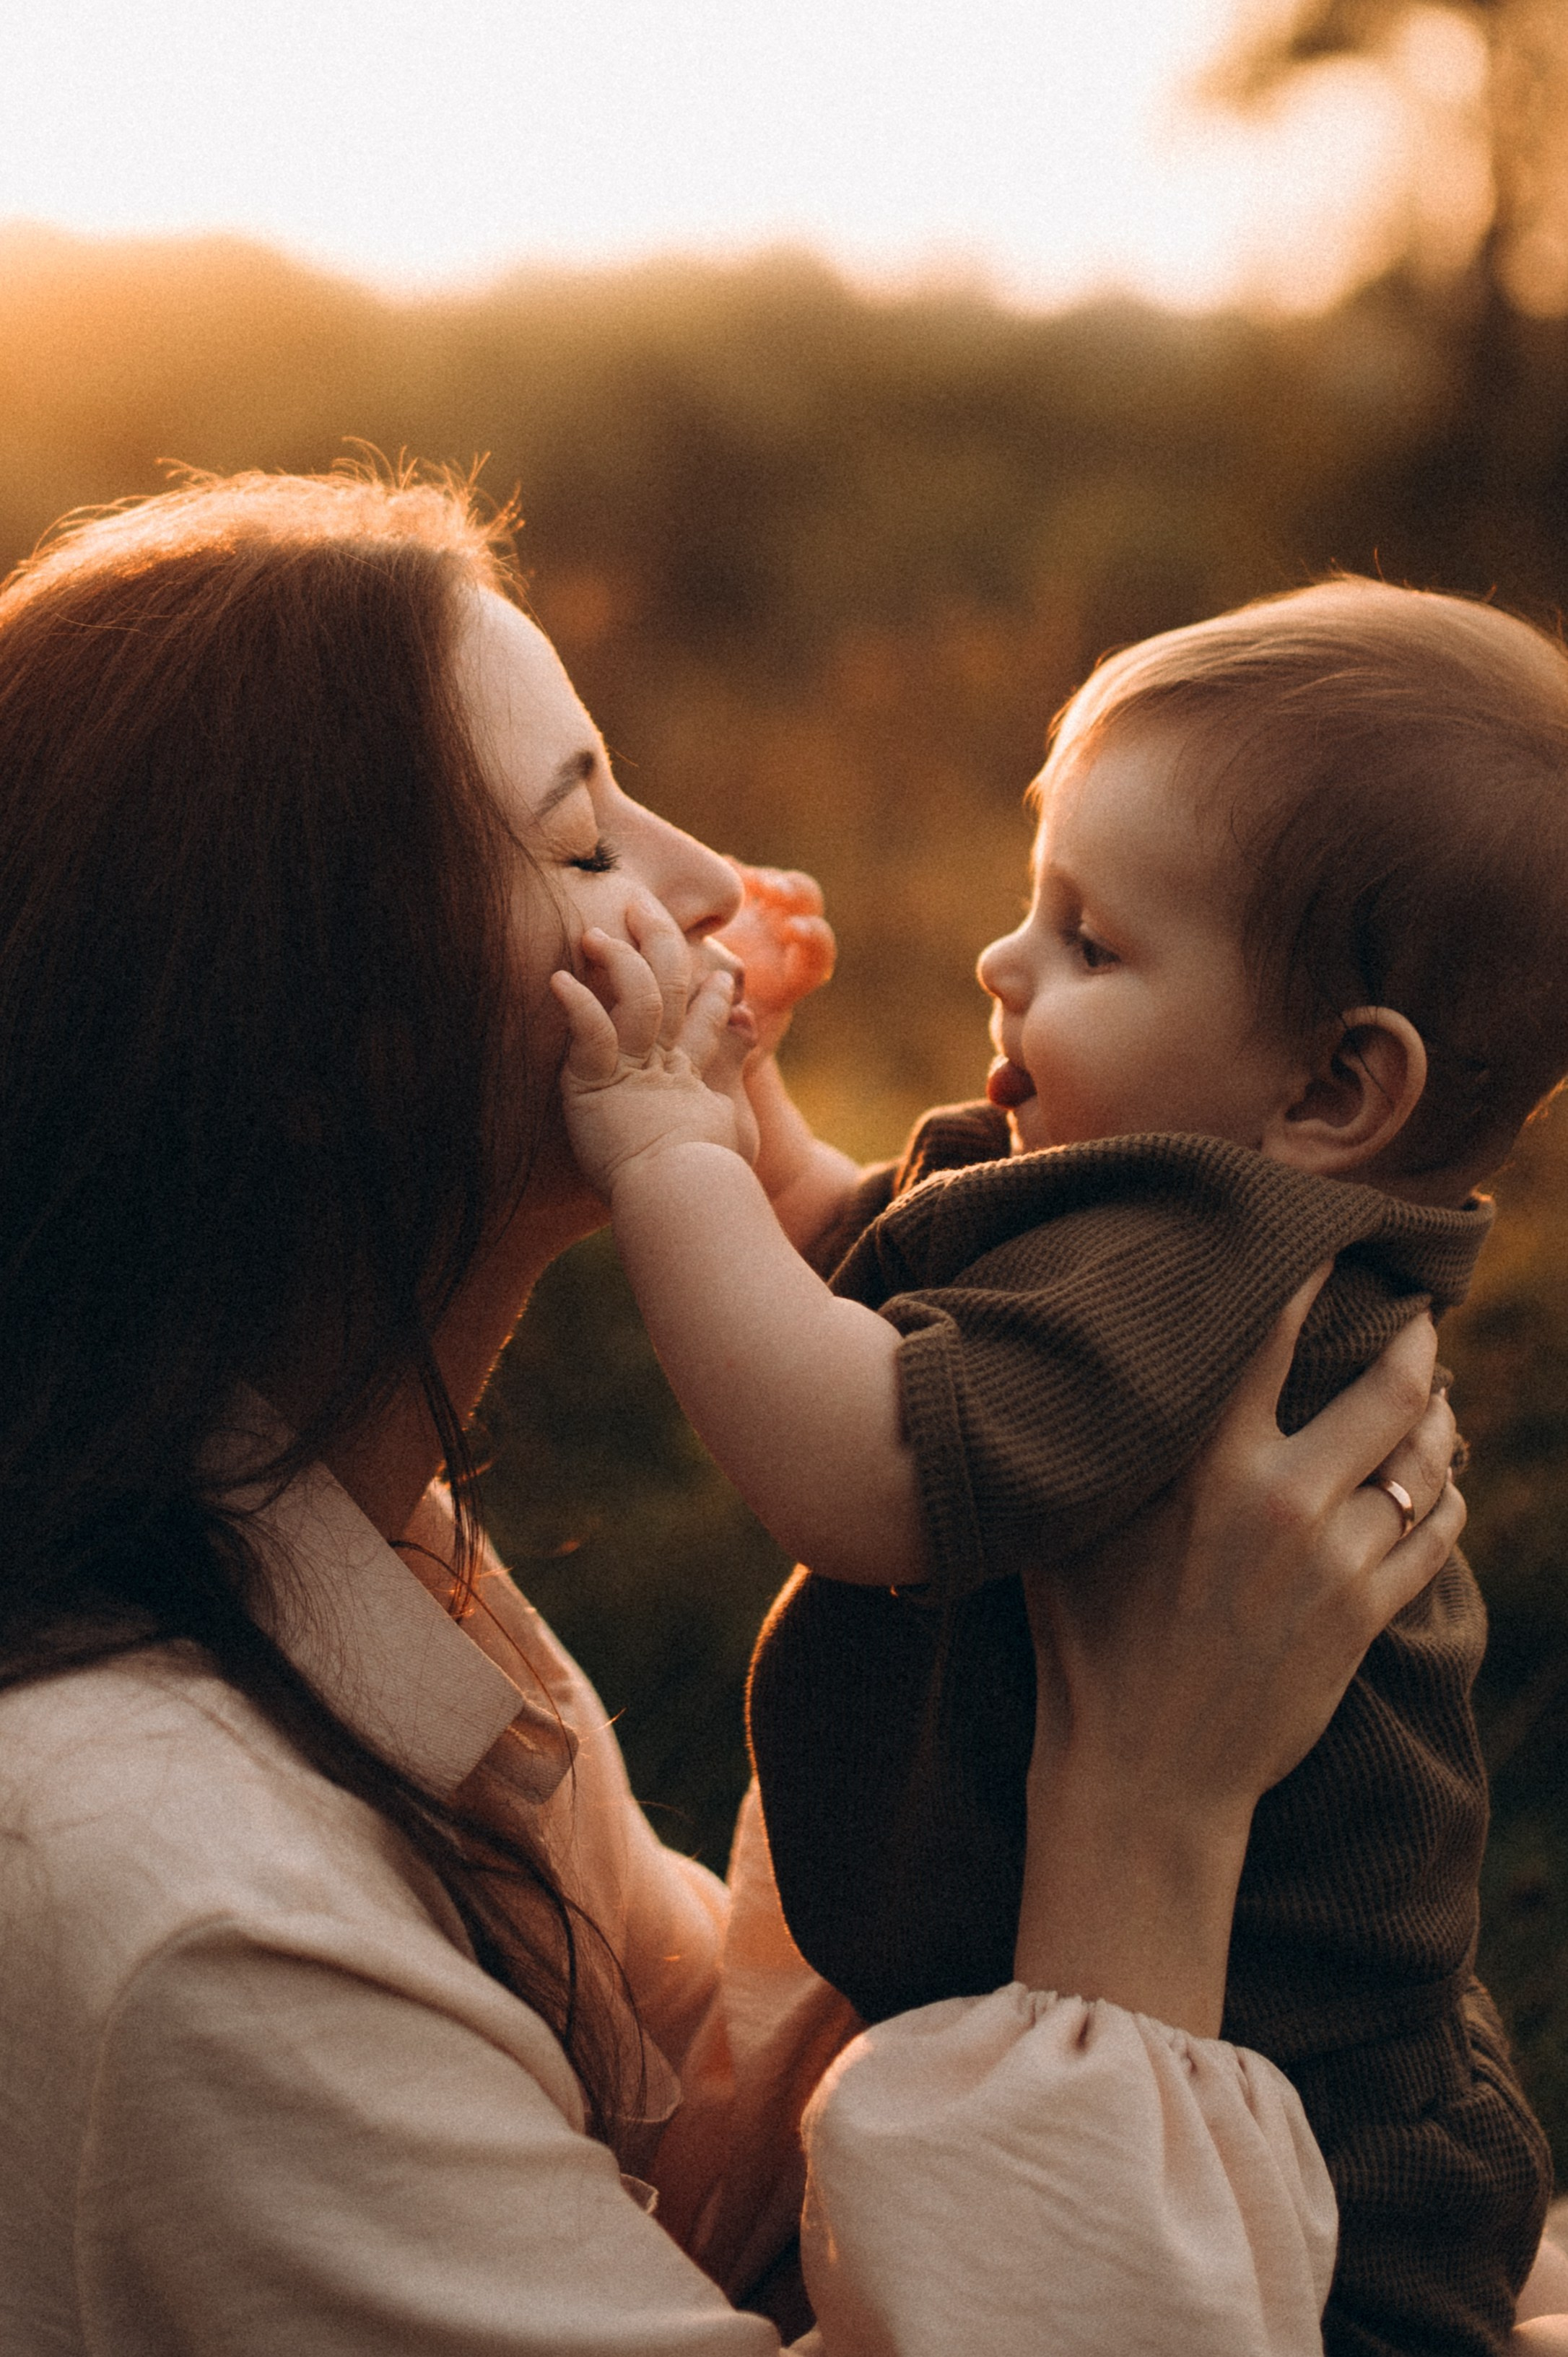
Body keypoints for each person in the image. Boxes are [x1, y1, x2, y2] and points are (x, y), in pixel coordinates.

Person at [0, 469, 1463, 2357]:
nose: (707, 888)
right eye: (586, 843)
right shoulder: (196, 1919)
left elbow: (707, 2139)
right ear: (318, 1039)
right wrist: (1142, 1820)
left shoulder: (352, 1563)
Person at [552, 578, 1568, 2356]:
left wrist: (658, 1151)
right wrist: (745, 1104)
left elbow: (855, 1461)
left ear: (1337, 1091)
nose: (1003, 966)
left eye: (1090, 941)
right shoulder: (1154, 1223)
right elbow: (863, 1261)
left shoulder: (1226, 1271)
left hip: (1304, 2173)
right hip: (1210, 2083)